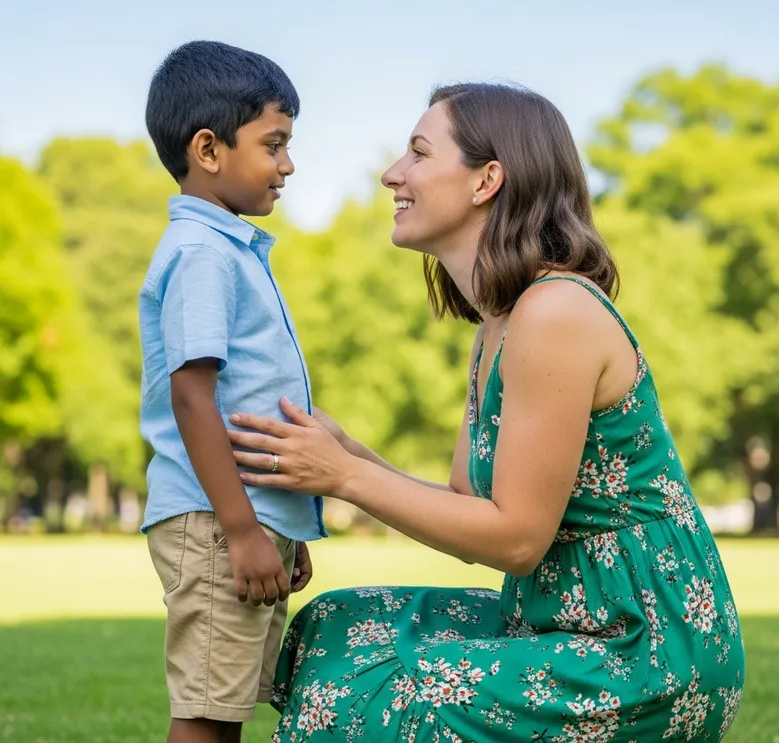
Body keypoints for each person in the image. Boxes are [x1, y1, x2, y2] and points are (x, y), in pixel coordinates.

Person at [227, 82, 745, 742]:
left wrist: (343, 476)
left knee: (392, 684)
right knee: (340, 627)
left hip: (645, 650)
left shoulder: (554, 312)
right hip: (557, 623)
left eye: (417, 153)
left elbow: (517, 540)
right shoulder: (497, 322)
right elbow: (468, 504)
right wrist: (347, 451)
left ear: (486, 180)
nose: (392, 174)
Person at [138, 40, 326, 743]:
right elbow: (193, 397)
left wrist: (283, 524)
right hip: (217, 520)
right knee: (207, 716)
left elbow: (249, 394)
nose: (288, 164)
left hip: (243, 518)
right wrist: (245, 529)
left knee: (230, 705)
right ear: (209, 150)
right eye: (273, 144)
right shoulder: (201, 255)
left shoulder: (228, 249)